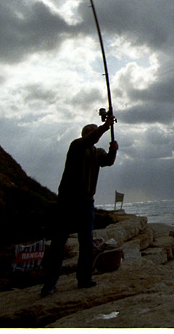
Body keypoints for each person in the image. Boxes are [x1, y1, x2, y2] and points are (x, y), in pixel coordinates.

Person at [41, 112, 118, 297]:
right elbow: (88, 141)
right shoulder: (76, 146)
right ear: (84, 134)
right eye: (90, 132)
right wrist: (105, 127)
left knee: (86, 243)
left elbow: (108, 161)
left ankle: (84, 279)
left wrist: (113, 150)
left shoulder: (96, 152)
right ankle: (49, 284)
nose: (93, 135)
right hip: (67, 202)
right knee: (59, 243)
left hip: (86, 204)